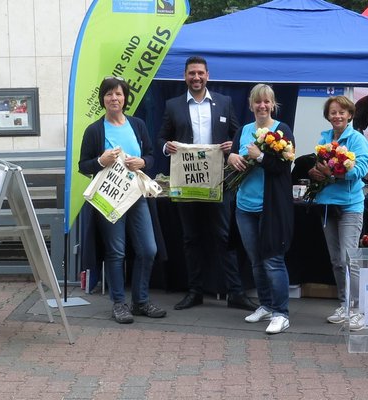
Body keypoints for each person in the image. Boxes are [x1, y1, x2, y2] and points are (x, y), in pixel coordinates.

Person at [157, 56, 257, 312]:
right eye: (192, 73)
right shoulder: (173, 105)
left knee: (224, 237)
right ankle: (195, 291)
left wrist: (232, 146)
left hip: (218, 181)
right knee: (191, 238)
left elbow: (238, 133)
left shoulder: (223, 103)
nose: (196, 77)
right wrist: (166, 147)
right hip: (187, 181)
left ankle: (235, 292)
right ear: (185, 76)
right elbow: (162, 137)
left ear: (208, 75)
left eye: (200, 73)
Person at [79, 76, 166, 324]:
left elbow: (150, 156)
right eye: (109, 94)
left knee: (148, 249)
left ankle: (140, 301)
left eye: (118, 94)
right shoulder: (95, 130)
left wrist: (144, 162)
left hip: (137, 196)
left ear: (126, 98)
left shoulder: (137, 125)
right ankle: (119, 303)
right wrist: (100, 161)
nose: (114, 98)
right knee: (116, 251)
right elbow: (83, 165)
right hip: (109, 198)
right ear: (102, 99)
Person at [227, 84, 295, 334]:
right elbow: (233, 157)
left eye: (267, 102)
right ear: (251, 104)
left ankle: (281, 312)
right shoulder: (244, 130)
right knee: (256, 260)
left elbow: (283, 167)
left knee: (273, 260)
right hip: (245, 207)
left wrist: (259, 156)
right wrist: (232, 158)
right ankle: (265, 305)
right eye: (258, 102)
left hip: (271, 209)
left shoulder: (282, 130)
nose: (262, 106)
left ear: (273, 104)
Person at [308, 96, 368, 330]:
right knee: (336, 261)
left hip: (350, 206)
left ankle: (358, 310)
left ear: (350, 115)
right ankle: (345, 306)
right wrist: (316, 173)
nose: (337, 116)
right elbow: (320, 168)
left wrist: (334, 174)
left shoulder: (357, 139)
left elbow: (361, 170)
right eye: (333, 112)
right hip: (327, 205)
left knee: (349, 259)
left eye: (341, 112)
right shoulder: (324, 138)